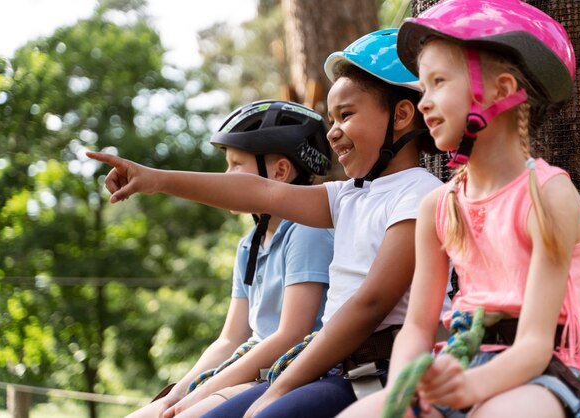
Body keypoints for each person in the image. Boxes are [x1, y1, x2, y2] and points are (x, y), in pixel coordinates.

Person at [89, 28, 449, 418]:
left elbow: (370, 304)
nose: (333, 131)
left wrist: (281, 388)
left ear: (400, 114)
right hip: (336, 369)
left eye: (346, 115)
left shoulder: (418, 195)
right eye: (331, 118)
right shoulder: (348, 196)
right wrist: (157, 179)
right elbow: (258, 192)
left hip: (377, 370)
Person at [337, 1, 580, 418]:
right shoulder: (438, 206)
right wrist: (406, 389)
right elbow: (419, 327)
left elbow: (535, 344)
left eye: (438, 82)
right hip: (462, 361)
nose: (424, 103)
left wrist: (469, 387)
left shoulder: (548, 195)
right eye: (422, 88)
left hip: (545, 373)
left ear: (499, 89)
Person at [121, 100, 334, 418]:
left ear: (279, 171)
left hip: (290, 369)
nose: (226, 175)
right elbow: (231, 337)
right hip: (250, 366)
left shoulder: (306, 232)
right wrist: (176, 393)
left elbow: (291, 334)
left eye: (236, 165)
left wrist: (200, 395)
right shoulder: (251, 244)